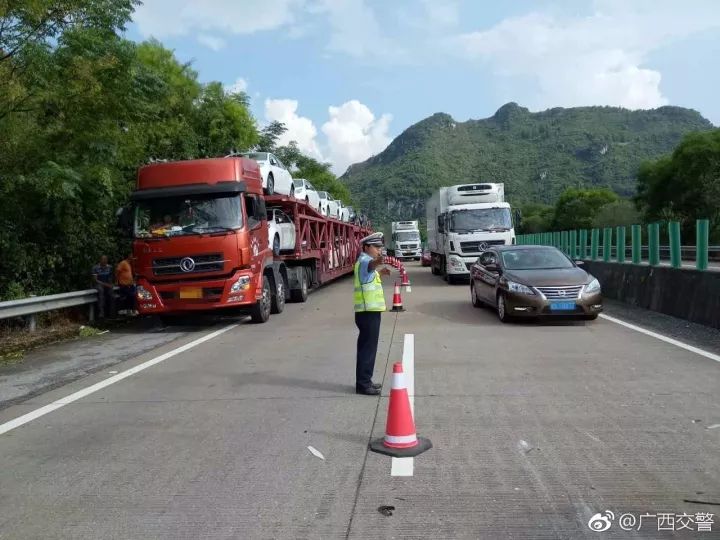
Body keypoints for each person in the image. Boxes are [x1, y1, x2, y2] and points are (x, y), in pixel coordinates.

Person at [353, 232, 392, 395]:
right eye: (376, 247)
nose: (378, 250)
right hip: (367, 312)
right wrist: (379, 261)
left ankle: (365, 380)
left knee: (367, 347)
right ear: (367, 247)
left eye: (379, 247)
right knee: (367, 349)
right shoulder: (365, 261)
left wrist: (380, 273)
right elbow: (370, 266)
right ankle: (363, 384)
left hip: (369, 312)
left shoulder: (366, 262)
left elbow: (369, 277)